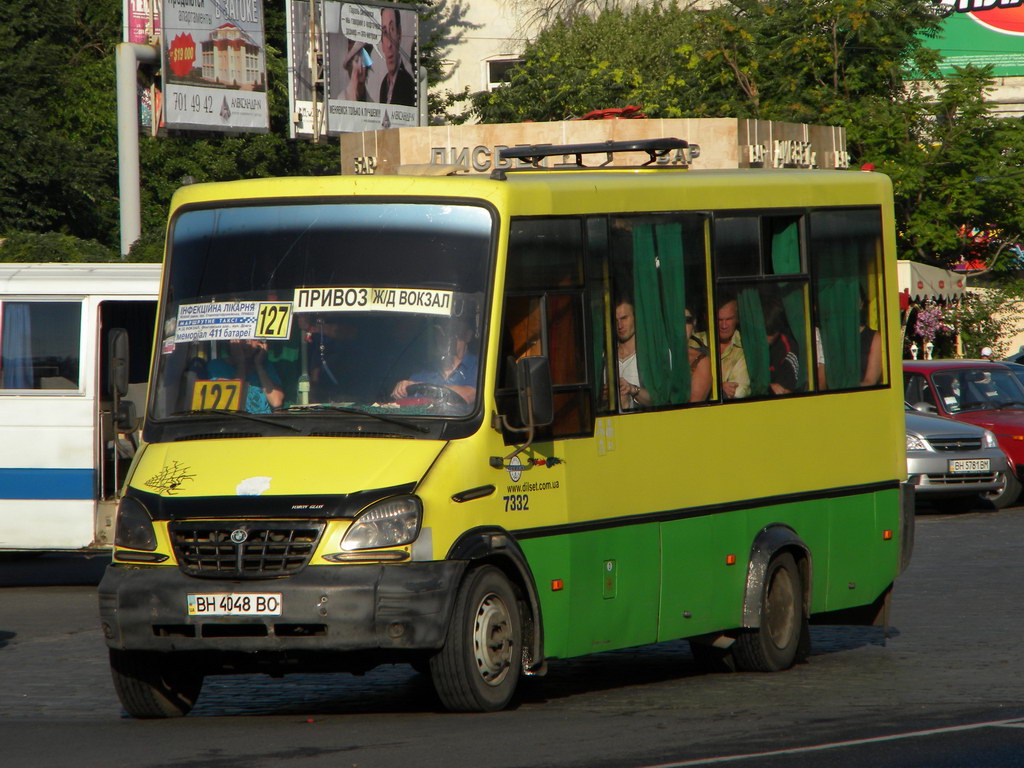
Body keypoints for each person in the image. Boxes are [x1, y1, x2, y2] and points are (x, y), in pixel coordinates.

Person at [391, 318, 477, 406]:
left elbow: (469, 395)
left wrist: (422, 387)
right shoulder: (422, 372)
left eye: (453, 331)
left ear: (468, 335)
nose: (446, 337)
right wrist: (401, 389)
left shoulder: (480, 367)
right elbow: (404, 408)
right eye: (440, 332)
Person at [206, 339, 285, 414]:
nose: (248, 343)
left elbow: (276, 402)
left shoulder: (265, 366)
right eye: (244, 339)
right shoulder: (217, 366)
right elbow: (228, 401)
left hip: (262, 423)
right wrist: (240, 363)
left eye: (253, 339)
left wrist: (259, 366)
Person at [615, 299, 651, 410]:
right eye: (615, 320)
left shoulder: (651, 355)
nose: (620, 325)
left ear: (636, 318)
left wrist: (631, 389)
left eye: (624, 318)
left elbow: (662, 399)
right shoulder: (604, 358)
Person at [378, 7, 416, 106]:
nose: (389, 45)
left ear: (399, 34)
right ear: (381, 42)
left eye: (392, 30)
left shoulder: (408, 84)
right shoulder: (383, 85)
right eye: (385, 32)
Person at [715, 298, 750, 399]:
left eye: (729, 319)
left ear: (737, 319)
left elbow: (738, 392)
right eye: (719, 320)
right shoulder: (696, 342)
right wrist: (718, 388)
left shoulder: (745, 346)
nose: (724, 325)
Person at [763, 301, 800, 395]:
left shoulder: (788, 351)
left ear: (778, 331)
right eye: (763, 332)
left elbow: (785, 390)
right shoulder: (747, 342)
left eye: (771, 332)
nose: (766, 339)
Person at [685, 309, 712, 402]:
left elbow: (693, 407)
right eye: (675, 320)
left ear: (694, 323)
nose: (681, 325)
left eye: (686, 321)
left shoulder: (701, 360)